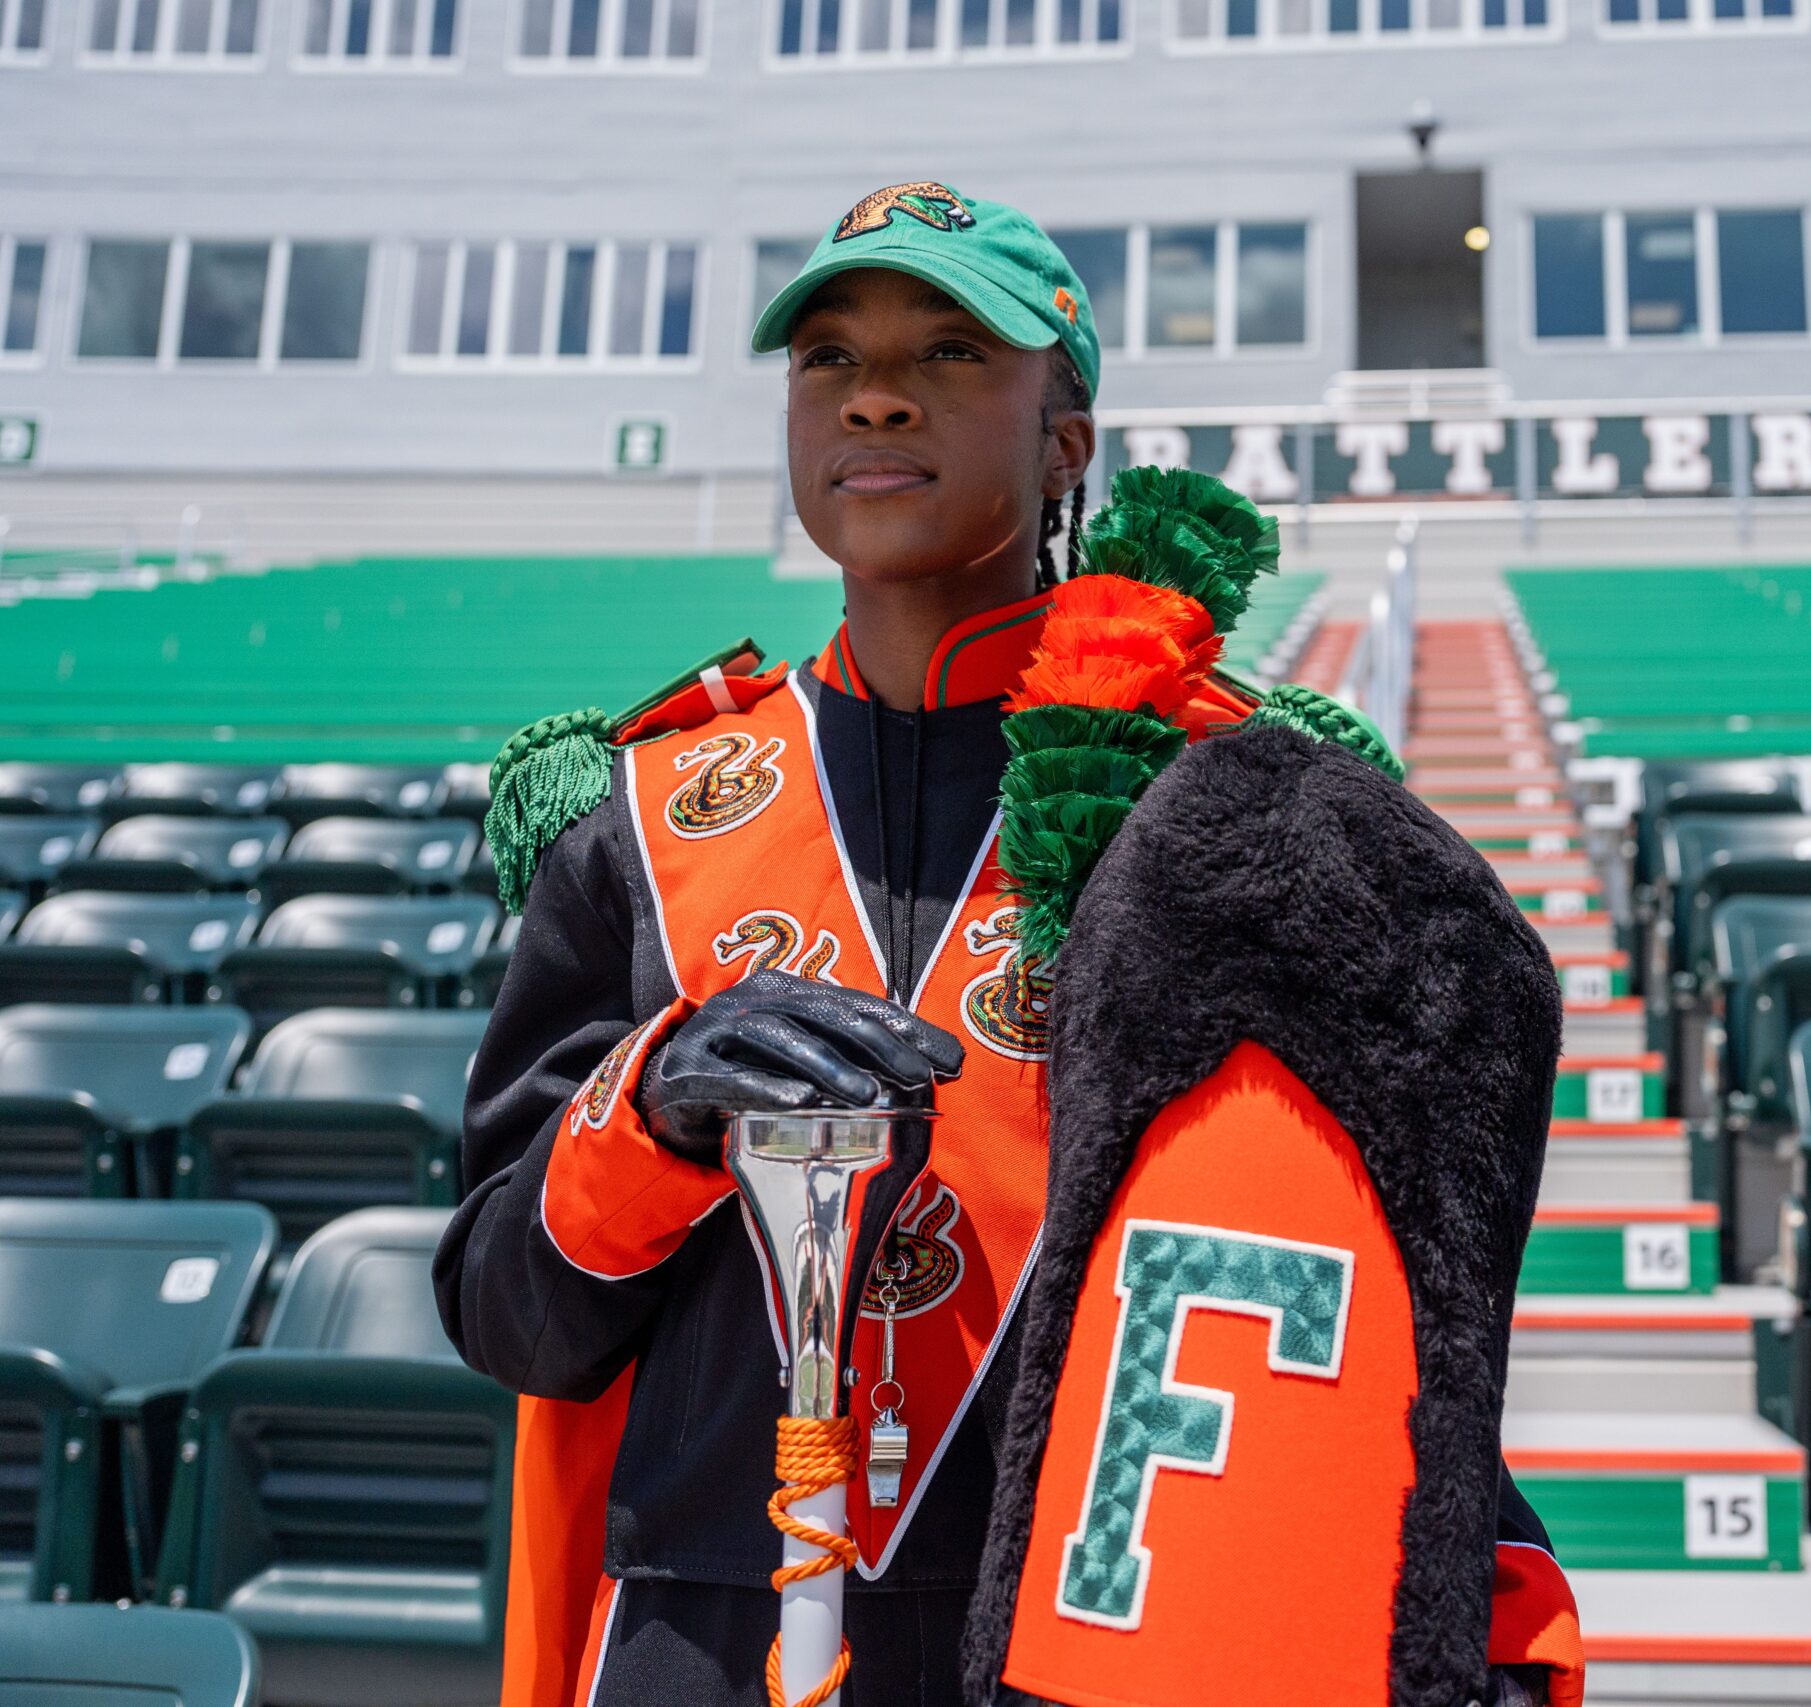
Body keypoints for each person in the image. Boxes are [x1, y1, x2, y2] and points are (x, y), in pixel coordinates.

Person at [434, 182, 1580, 1707]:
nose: (876, 393)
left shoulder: (1237, 811)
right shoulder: (637, 821)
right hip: (690, 1640)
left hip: (1088, 1641)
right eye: (828, 357)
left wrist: (1475, 1612)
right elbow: (510, 1319)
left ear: (1066, 440)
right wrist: (647, 1114)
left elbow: (1356, 1271)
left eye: (952, 350)